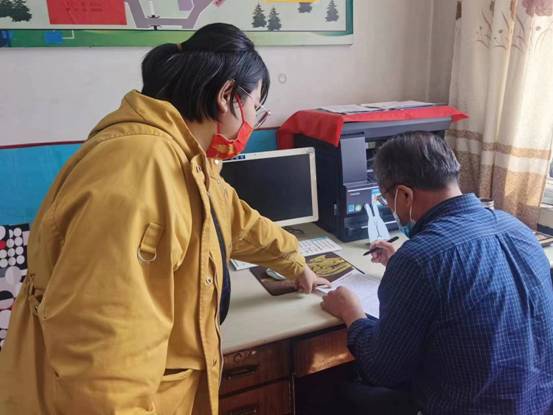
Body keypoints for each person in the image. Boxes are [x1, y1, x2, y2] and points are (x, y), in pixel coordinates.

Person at [0, 23, 327, 415]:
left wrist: (293, 261)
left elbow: (236, 223)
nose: (253, 121)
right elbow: (104, 363)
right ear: (226, 96)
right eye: (255, 108)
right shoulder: (138, 170)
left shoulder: (187, 158)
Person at [322, 132, 553, 414]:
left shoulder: (419, 259)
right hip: (536, 403)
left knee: (339, 391)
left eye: (386, 201)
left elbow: (383, 370)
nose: (390, 208)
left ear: (404, 195)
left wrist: (351, 313)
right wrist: (401, 267)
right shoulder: (517, 229)